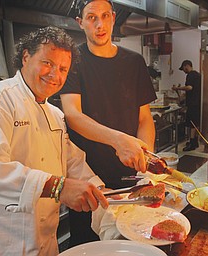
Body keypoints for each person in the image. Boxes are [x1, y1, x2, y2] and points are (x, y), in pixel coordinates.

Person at [0, 26, 109, 256]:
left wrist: (101, 190)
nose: (56, 75)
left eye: (63, 68)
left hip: (44, 243)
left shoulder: (54, 113)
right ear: (25, 57)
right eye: (48, 63)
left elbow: (70, 160)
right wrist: (58, 187)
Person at [58, 0, 157, 246]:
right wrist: (118, 140)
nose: (99, 24)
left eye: (104, 16)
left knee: (130, 244)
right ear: (80, 23)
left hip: (129, 180)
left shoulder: (134, 62)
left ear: (113, 18)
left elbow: (144, 117)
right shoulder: (73, 60)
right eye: (91, 18)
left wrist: (147, 160)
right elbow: (72, 114)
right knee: (89, 246)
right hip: (86, 179)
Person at [172, 59, 201, 151]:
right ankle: (195, 142)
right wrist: (182, 95)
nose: (184, 71)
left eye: (184, 68)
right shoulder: (198, 75)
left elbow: (189, 87)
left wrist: (178, 88)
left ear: (186, 66)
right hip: (198, 103)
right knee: (196, 123)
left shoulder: (190, 75)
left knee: (192, 124)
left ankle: (192, 143)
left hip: (193, 104)